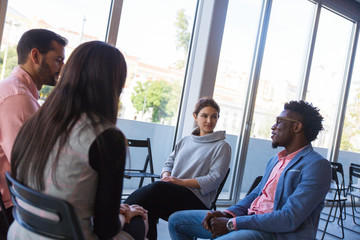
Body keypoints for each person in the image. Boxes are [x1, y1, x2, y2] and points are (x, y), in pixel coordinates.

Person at [7, 41, 147, 240]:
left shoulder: (36, 123)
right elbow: (105, 229)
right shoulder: (106, 137)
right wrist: (125, 214)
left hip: (21, 232)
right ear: (113, 85)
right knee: (140, 222)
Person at [168, 100, 332, 240]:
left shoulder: (317, 166)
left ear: (297, 127)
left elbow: (289, 218)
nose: (273, 127)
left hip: (274, 234)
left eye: (279, 121)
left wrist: (233, 224)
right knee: (177, 221)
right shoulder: (275, 160)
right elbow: (256, 195)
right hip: (249, 220)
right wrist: (228, 214)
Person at [124, 97, 232, 240]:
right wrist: (166, 176)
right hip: (173, 194)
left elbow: (213, 179)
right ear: (195, 116)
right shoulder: (185, 141)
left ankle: (119, 212)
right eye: (204, 116)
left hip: (197, 200)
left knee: (157, 188)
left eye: (214, 117)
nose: (209, 121)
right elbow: (168, 163)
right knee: (148, 209)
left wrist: (179, 182)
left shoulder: (222, 146)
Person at [0, 28, 67, 238]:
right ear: (35, 56)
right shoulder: (18, 98)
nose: (62, 67)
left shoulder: (20, 92)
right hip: (12, 208)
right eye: (58, 60)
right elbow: (31, 168)